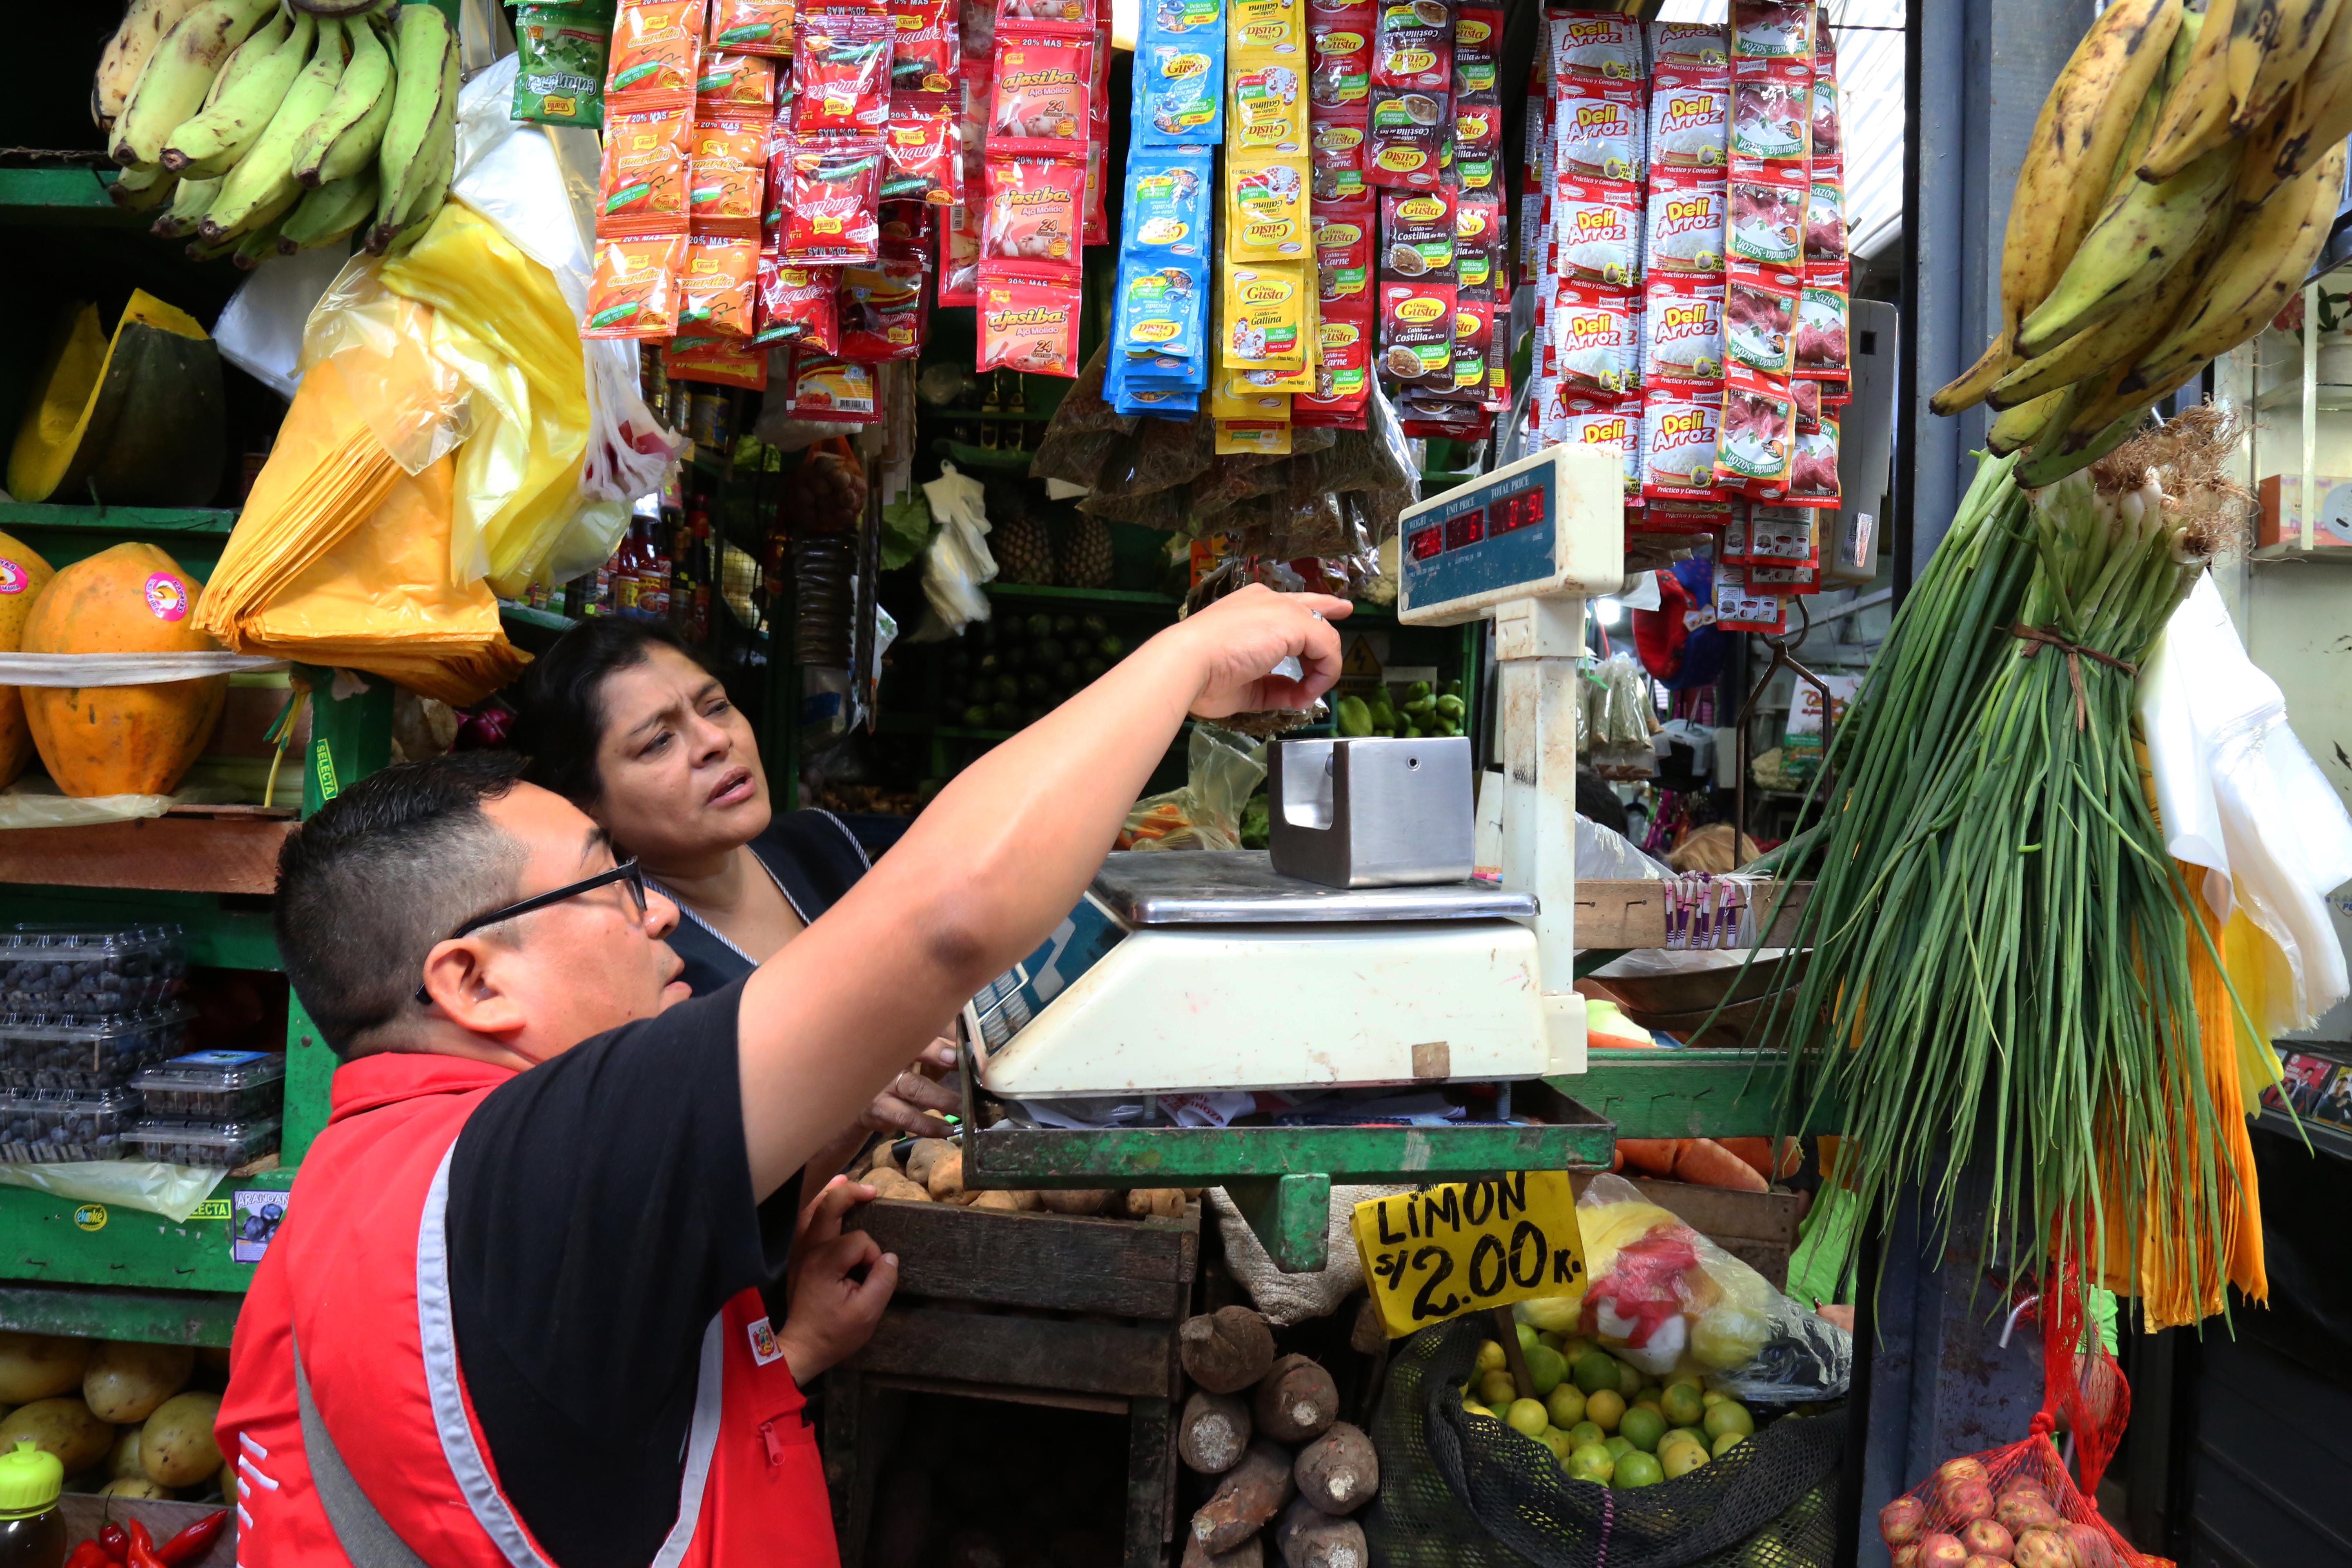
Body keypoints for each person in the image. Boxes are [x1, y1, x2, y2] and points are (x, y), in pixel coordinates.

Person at [217, 584, 1346, 1568]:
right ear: (471, 982)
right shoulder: (542, 1165)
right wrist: (1186, 656)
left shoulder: (362, 1184)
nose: (653, 907)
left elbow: (567, 1439)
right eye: (606, 885)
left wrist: (781, 1350)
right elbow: (950, 918)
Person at [512, 618, 957, 1149]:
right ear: (587, 806)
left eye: (716, 706)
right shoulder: (635, 958)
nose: (715, 742)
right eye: (658, 742)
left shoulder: (821, 845)